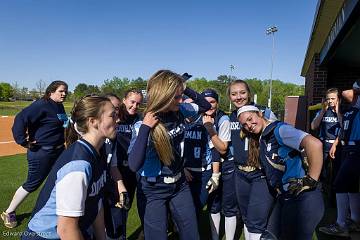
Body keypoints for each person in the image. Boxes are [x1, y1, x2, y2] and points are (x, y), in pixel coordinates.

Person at [128, 70, 211, 240]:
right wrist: (145, 128)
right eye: (176, 96)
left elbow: (205, 106)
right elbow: (134, 165)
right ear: (163, 96)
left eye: (181, 96)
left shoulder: (180, 109)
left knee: (191, 234)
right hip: (154, 188)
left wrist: (183, 87)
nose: (181, 100)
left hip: (179, 184)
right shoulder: (143, 125)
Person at [21, 95, 117, 239]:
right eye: (113, 115)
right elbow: (66, 229)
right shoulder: (78, 166)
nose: (118, 119)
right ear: (93, 121)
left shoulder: (98, 152)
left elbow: (96, 203)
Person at [237, 105, 324, 240]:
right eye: (244, 124)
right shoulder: (263, 137)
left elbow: (314, 144)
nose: (249, 125)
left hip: (303, 198)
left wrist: (311, 179)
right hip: (287, 196)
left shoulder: (280, 130)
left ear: (260, 114)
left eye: (250, 119)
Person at [1, 81, 68, 229]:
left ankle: (57, 210)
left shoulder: (59, 105)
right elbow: (20, 118)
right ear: (51, 91)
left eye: (65, 91)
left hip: (58, 151)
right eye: (61, 91)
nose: (64, 94)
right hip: (42, 152)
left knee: (61, 179)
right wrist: (23, 141)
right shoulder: (41, 104)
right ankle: (9, 212)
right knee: (32, 184)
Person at [227, 80, 275, 240]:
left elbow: (276, 135)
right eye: (234, 94)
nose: (238, 97)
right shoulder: (231, 117)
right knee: (247, 218)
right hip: (240, 173)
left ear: (249, 93)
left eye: (242, 92)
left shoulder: (262, 111)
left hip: (260, 173)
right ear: (229, 97)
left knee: (257, 220)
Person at [319, 81, 360, 237]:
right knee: (351, 186)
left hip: (356, 148)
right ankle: (355, 220)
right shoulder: (347, 110)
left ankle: (341, 224)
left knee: (340, 184)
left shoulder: (356, 104)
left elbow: (345, 93)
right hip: (348, 148)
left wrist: (355, 89)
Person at [103, 91, 144, 240]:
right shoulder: (115, 118)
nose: (134, 106)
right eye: (132, 102)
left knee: (125, 207)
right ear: (124, 100)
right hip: (114, 170)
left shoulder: (140, 120)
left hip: (132, 171)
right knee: (113, 210)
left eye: (138, 103)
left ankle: (122, 236)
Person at [200, 89, 238, 240]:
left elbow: (222, 149)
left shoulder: (223, 119)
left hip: (227, 165)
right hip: (209, 167)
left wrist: (209, 127)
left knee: (229, 207)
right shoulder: (199, 117)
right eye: (205, 102)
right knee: (213, 205)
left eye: (212, 102)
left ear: (217, 103)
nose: (209, 105)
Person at [311, 88, 341, 200]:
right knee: (322, 172)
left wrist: (338, 112)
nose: (330, 101)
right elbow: (313, 126)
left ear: (338, 99)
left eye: (333, 98)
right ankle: (322, 195)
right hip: (324, 145)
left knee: (336, 173)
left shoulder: (342, 112)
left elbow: (344, 128)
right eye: (328, 99)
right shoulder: (323, 111)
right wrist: (323, 111)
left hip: (338, 146)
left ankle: (334, 198)